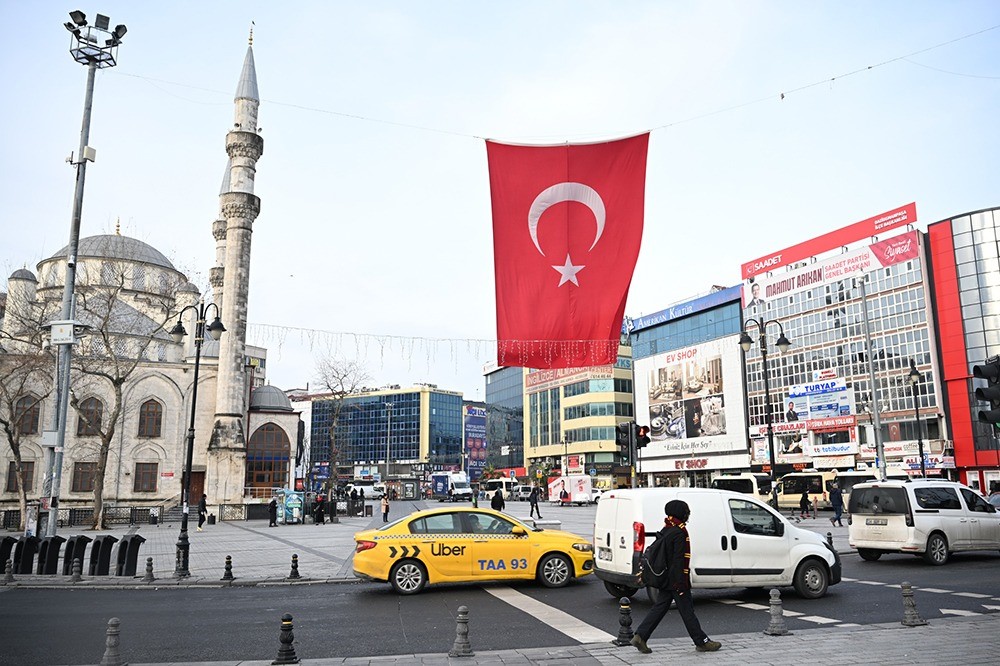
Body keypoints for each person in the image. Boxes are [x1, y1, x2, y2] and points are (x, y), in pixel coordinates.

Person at [631, 500, 721, 654]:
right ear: (681, 513)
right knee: (687, 611)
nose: (688, 514)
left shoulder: (667, 528)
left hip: (667, 579)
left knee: (660, 608)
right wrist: (681, 583)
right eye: (686, 511)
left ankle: (640, 636)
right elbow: (678, 560)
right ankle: (702, 642)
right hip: (675, 580)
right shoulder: (679, 532)